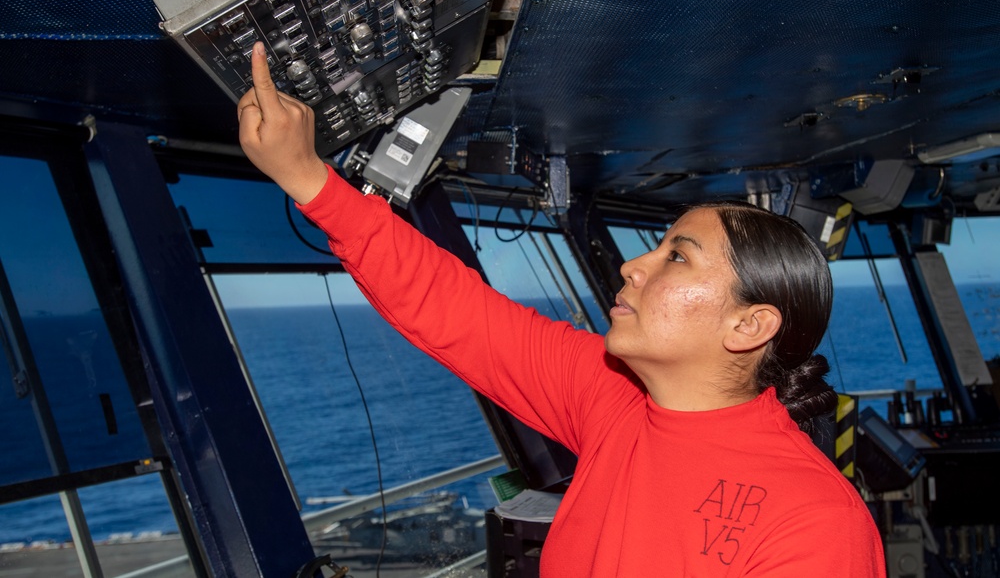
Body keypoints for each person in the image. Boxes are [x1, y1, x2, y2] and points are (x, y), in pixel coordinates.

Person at [237, 41, 886, 576]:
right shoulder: (609, 394)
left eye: (677, 257)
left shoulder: (816, 525)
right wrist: (310, 180)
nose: (635, 265)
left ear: (749, 325)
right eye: (657, 248)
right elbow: (455, 309)